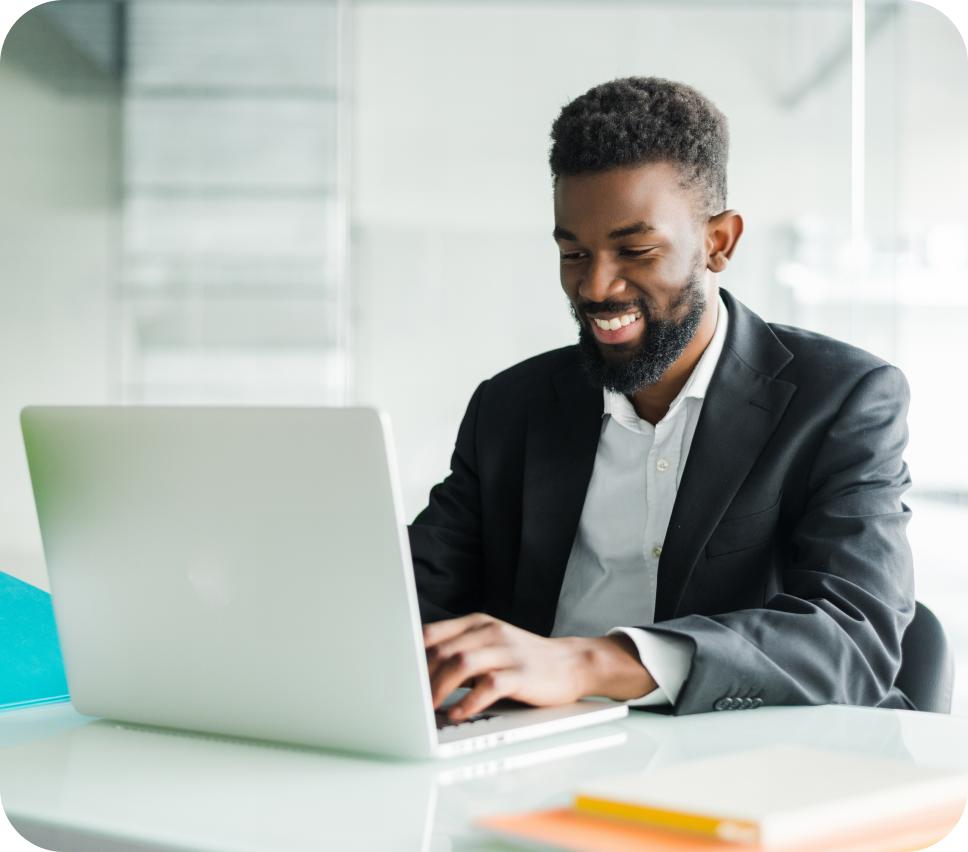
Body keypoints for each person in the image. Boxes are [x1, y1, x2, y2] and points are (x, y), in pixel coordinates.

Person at [412, 77, 915, 722]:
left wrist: (586, 662)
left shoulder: (843, 399)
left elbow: (852, 639)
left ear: (719, 243)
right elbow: (416, 595)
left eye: (636, 250)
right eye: (573, 252)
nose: (596, 286)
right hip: (528, 751)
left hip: (737, 762)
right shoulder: (511, 406)